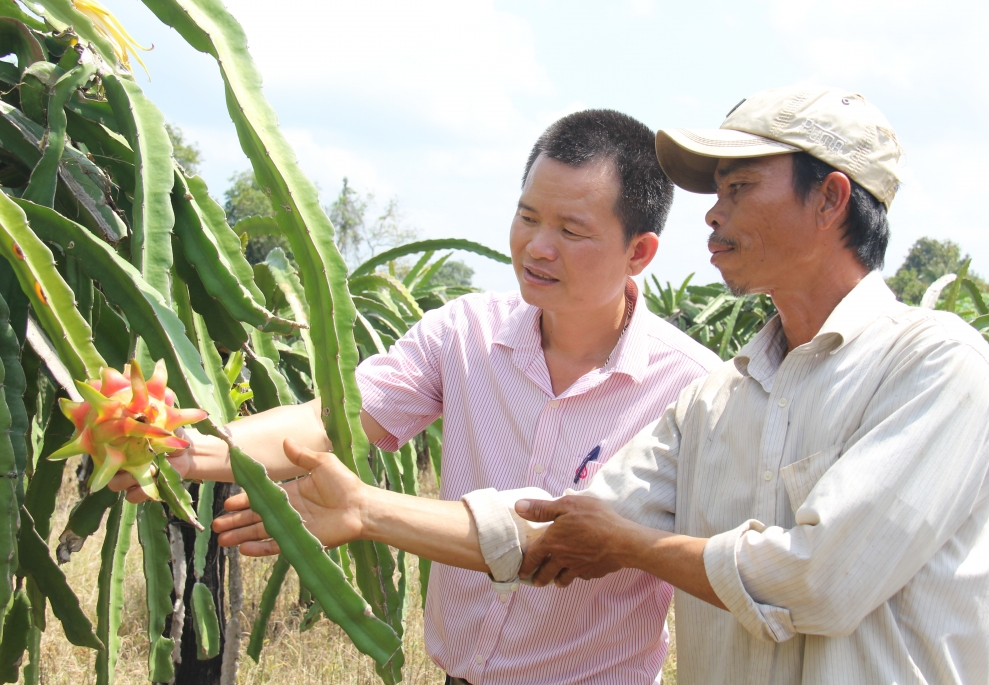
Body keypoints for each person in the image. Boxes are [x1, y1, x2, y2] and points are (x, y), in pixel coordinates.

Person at [215, 85, 989, 685]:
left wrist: (636, 548)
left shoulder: (935, 368)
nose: (710, 215)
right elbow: (555, 531)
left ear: (831, 198)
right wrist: (363, 510)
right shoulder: (721, 402)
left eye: (739, 188)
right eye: (531, 218)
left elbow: (822, 580)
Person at [114, 109, 721, 684]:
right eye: (528, 216)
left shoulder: (692, 389)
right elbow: (337, 419)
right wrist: (188, 450)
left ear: (638, 251)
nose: (537, 246)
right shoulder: (465, 333)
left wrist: (364, 510)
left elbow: (563, 544)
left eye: (571, 230)